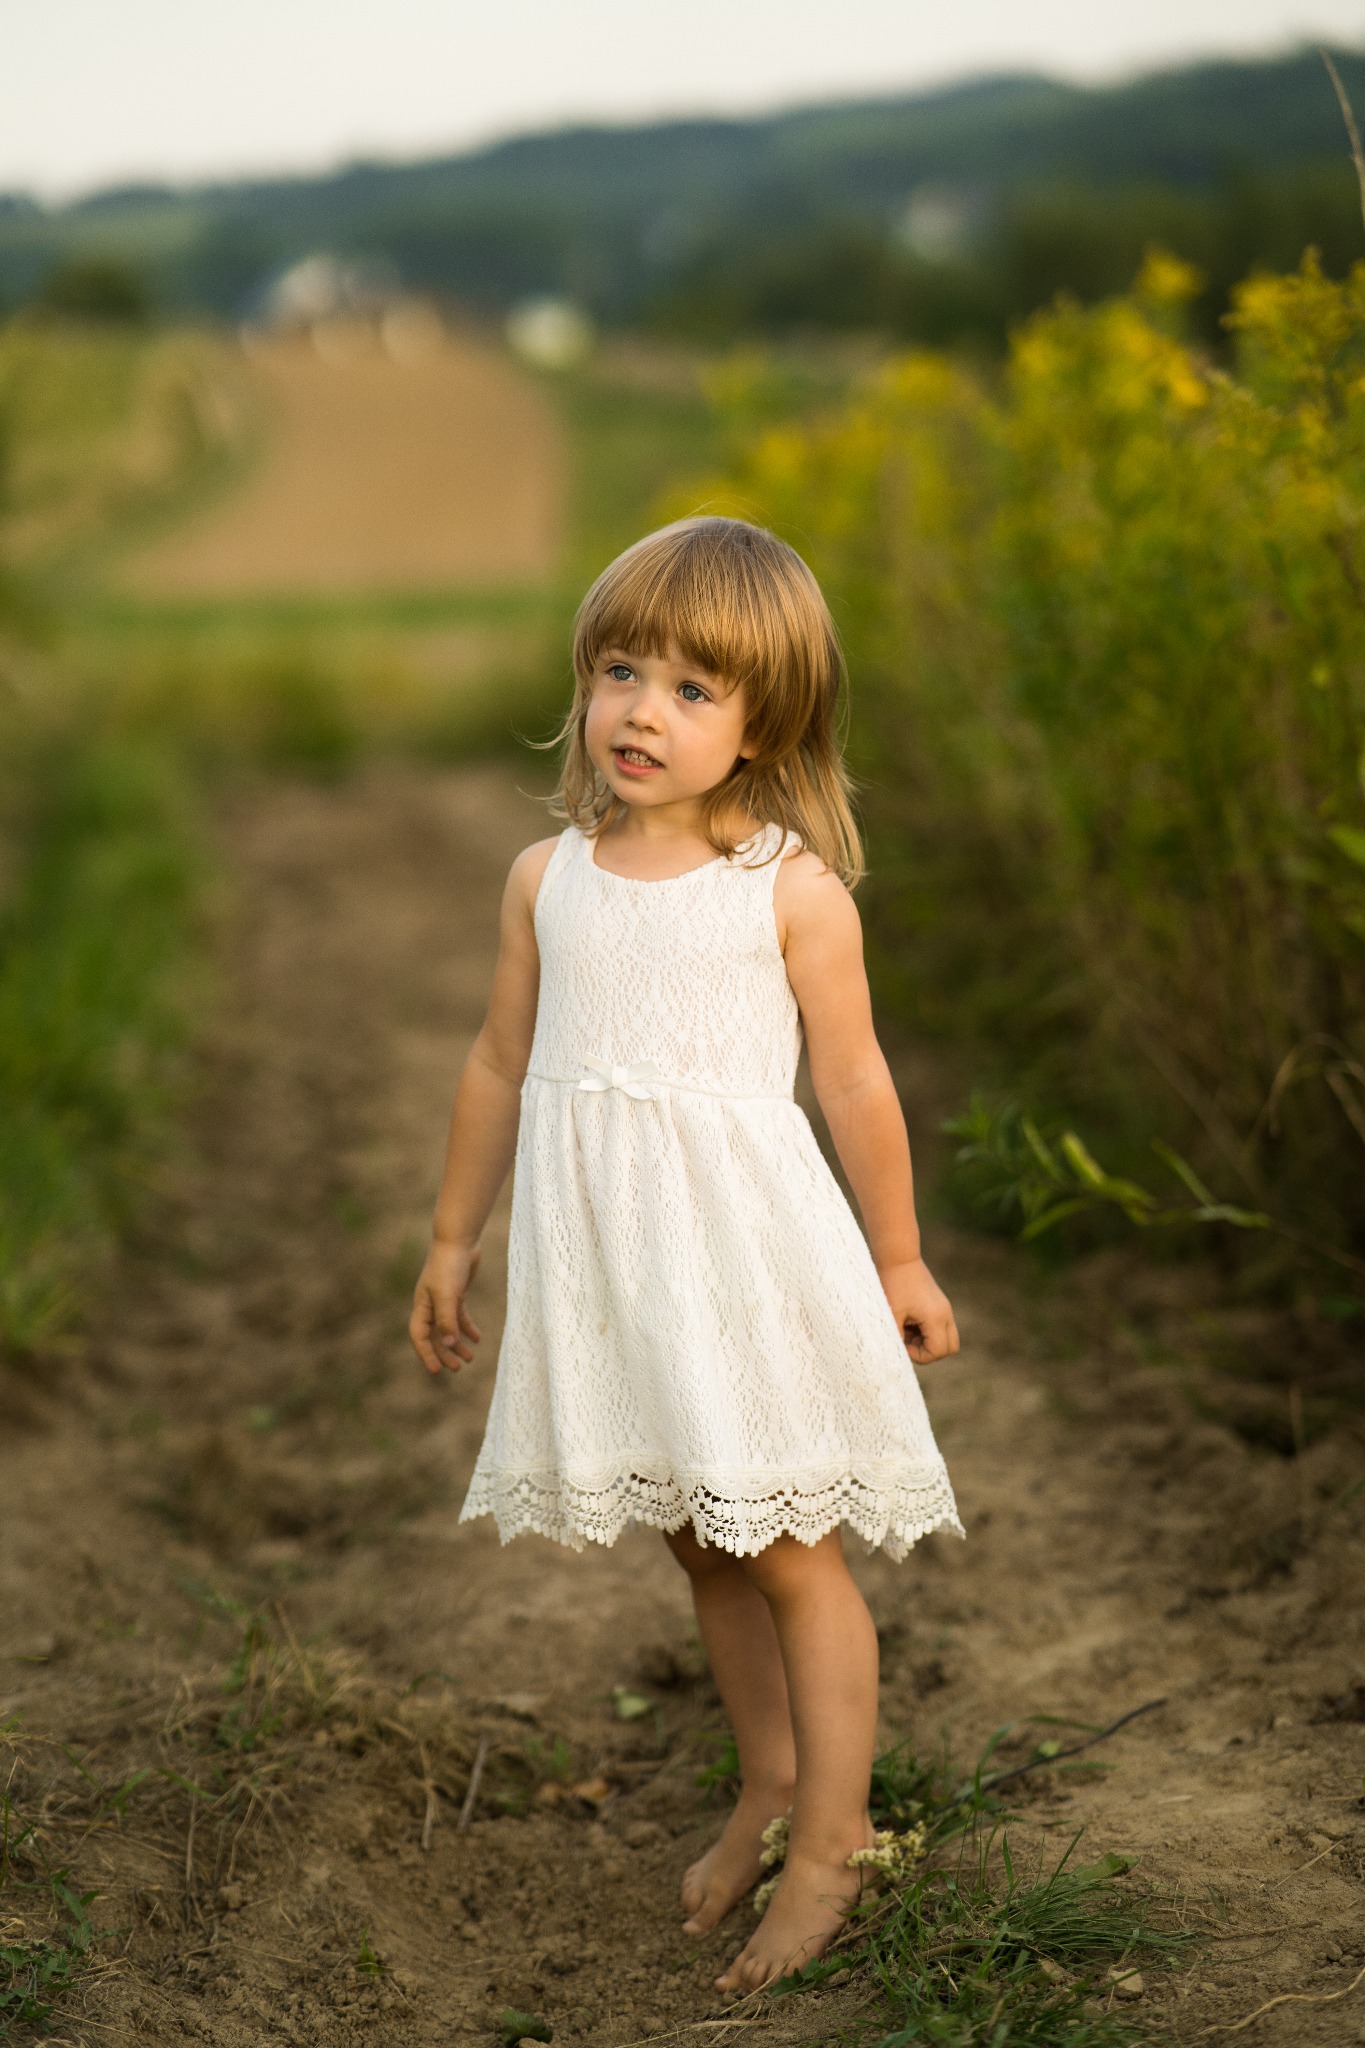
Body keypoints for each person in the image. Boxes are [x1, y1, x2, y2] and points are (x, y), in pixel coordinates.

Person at [410, 515, 962, 1994]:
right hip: (616, 1269)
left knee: (787, 1549)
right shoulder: (547, 878)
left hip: (740, 1263)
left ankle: (835, 1845)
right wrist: (453, 1238)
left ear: (765, 724)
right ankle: (769, 1783)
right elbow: (494, 1059)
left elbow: (852, 1083)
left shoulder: (786, 891)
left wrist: (899, 1260)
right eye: (621, 670)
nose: (643, 710)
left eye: (695, 689)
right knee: (697, 1529)